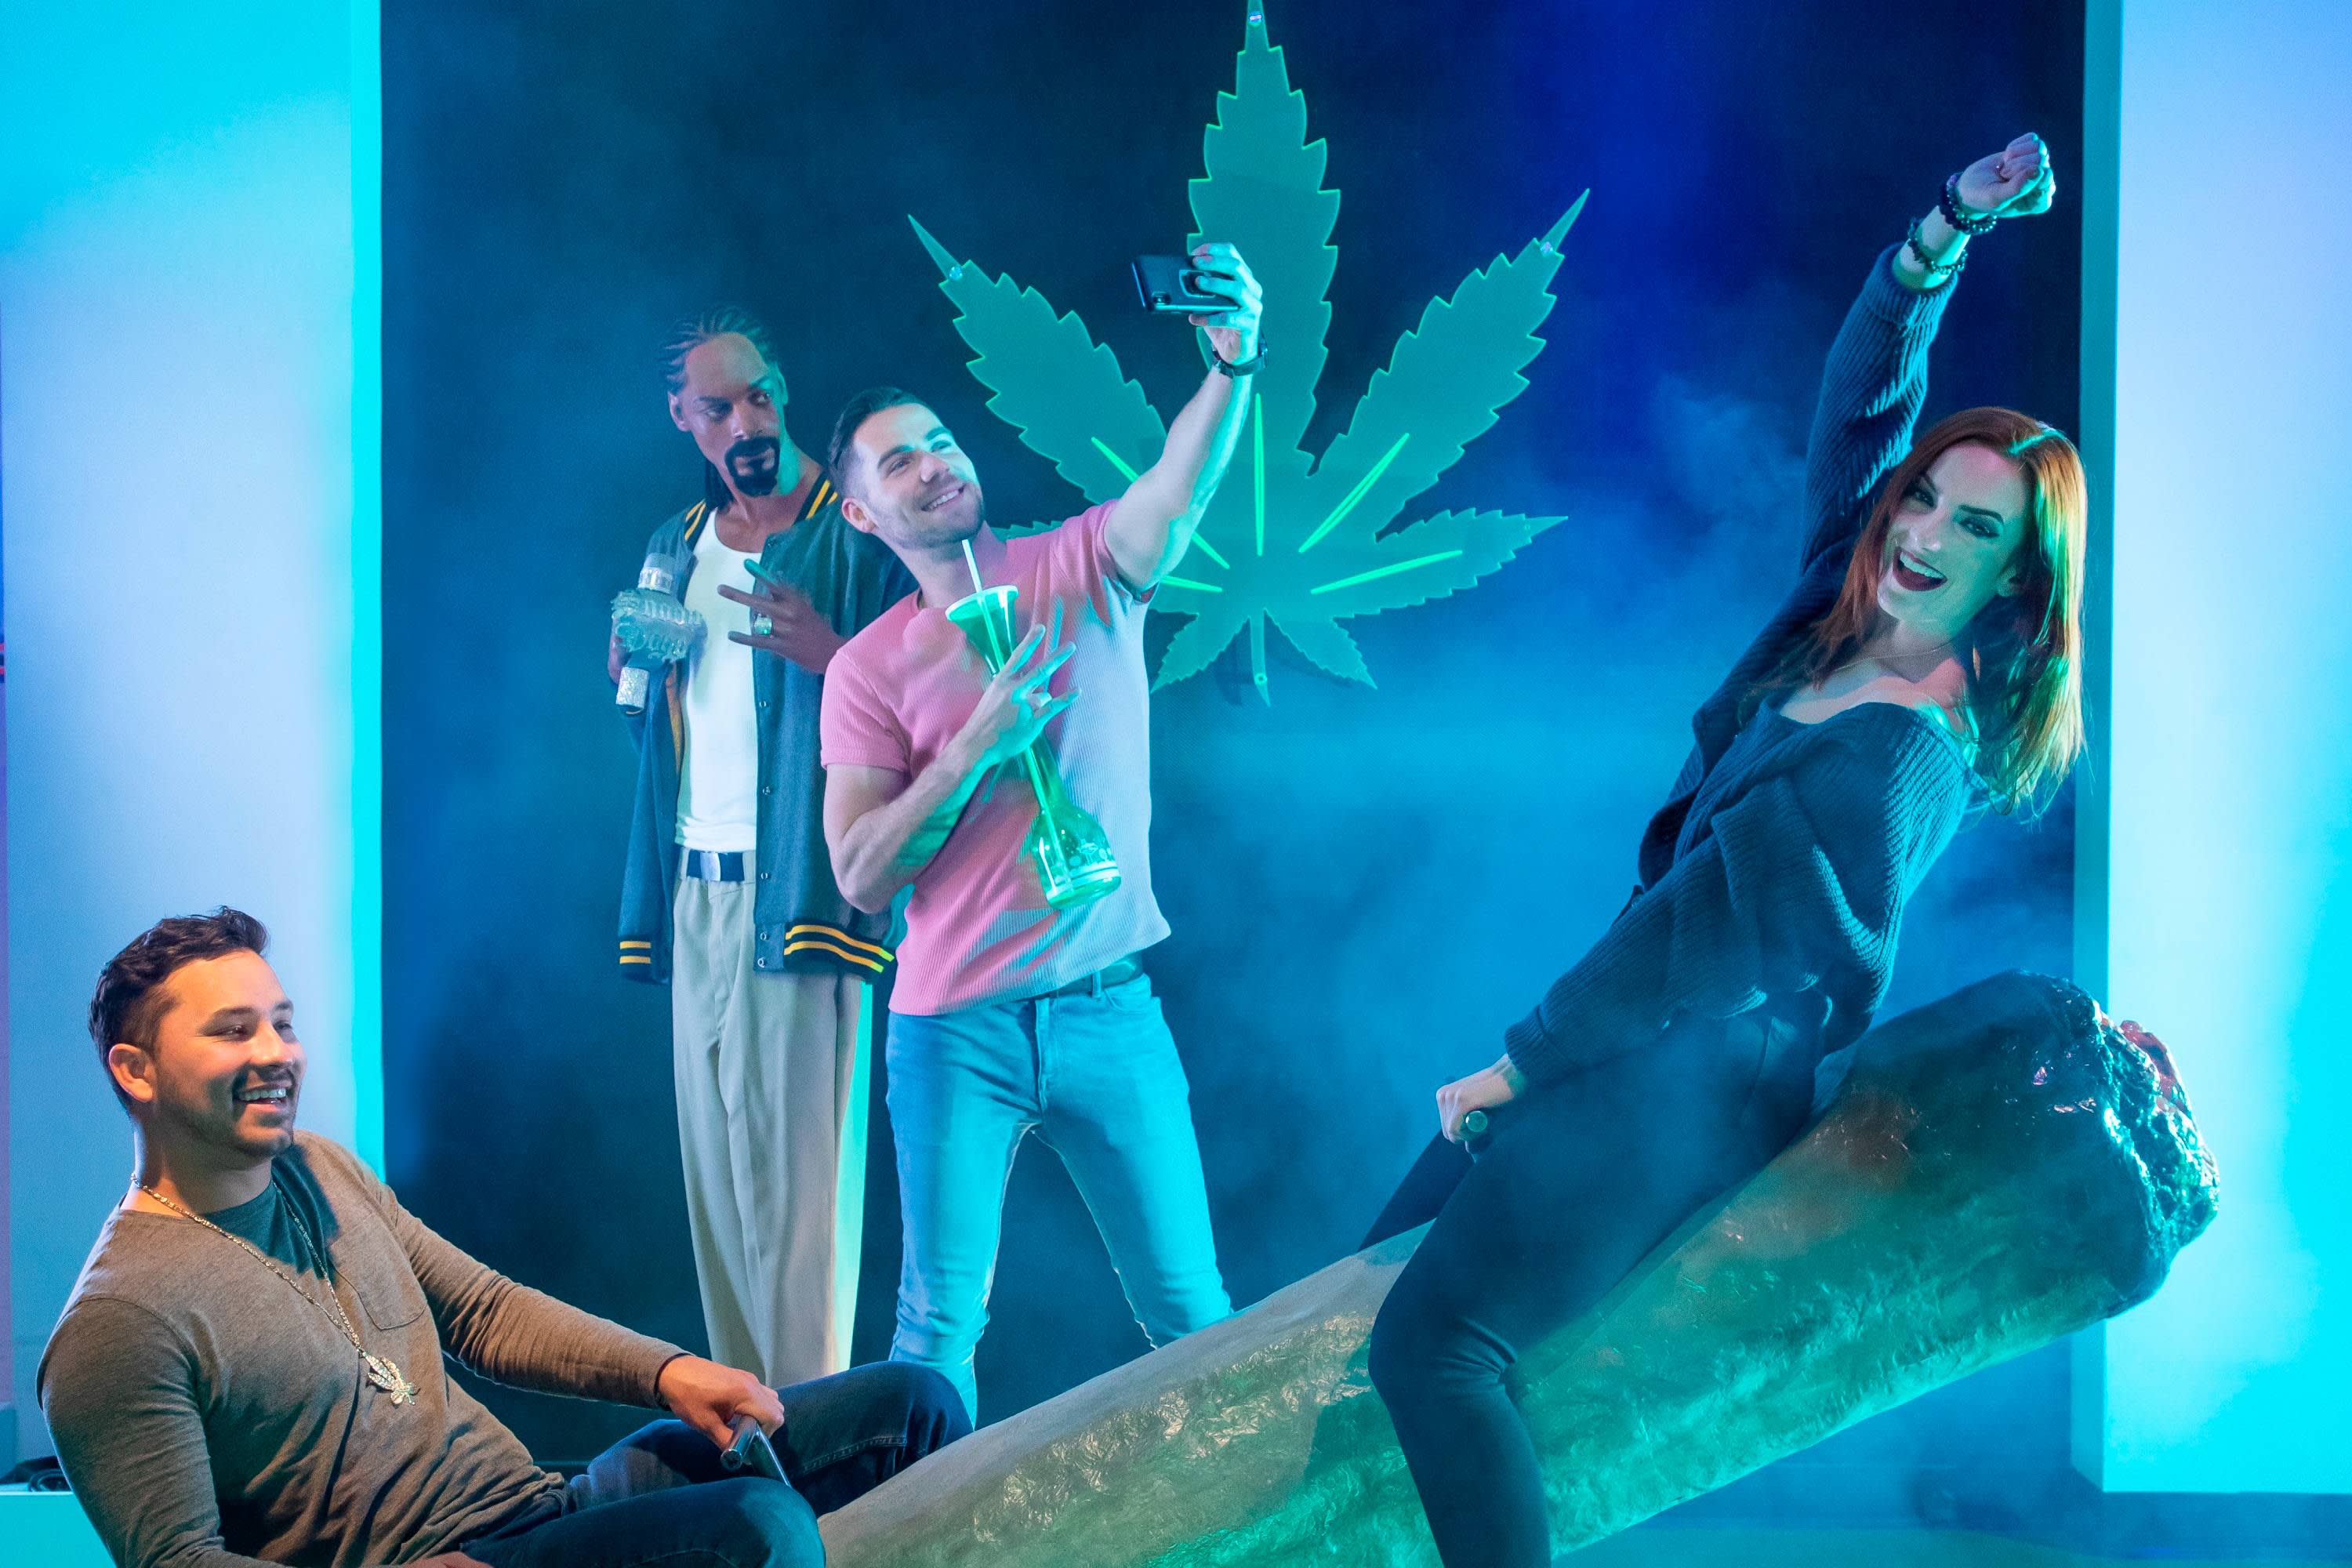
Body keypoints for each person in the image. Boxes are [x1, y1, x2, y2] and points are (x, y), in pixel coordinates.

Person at [1364, 135, 2085, 1568]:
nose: (1923, 531)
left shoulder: (1901, 754)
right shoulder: (1842, 614)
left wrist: (1527, 1064)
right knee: (1365, 1281)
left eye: (1974, 527)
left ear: (2018, 577)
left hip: (1691, 1084)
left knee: (1436, 1351)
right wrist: (1942, 231)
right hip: (1638, 1041)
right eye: (1923, 499)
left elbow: (1707, 939)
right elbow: (1863, 409)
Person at [40, 909, 967, 1568]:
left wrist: (669, 1370)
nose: (277, 1052)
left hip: (543, 1508)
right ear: (137, 1069)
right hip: (450, 1557)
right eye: (233, 1031)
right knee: (757, 1527)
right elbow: (177, 1560)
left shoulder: (319, 1167)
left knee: (911, 1406)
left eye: (282, 1023)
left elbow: (483, 1311)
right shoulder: (119, 1321)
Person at [815, 244, 1265, 1420]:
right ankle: (924, 1522)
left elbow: (1179, 490)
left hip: (1109, 1004)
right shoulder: (866, 668)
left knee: (1193, 1310)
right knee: (935, 1332)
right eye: (899, 461)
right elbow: (859, 874)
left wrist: (1233, 367)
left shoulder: (1080, 562)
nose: (935, 465)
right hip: (953, 1033)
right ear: (862, 511)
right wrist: (974, 745)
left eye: (941, 442)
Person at [612, 307, 914, 1387]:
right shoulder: (674, 546)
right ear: (682, 419)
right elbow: (652, 724)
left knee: (798, 1199)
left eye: (759, 396)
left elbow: (937, 704)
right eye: (719, 406)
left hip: (802, 885)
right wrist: (628, 675)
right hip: (696, 885)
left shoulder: (856, 533)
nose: (747, 423)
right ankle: (751, 1425)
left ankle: (814, 1427)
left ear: (782, 391)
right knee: (719, 1183)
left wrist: (833, 655)